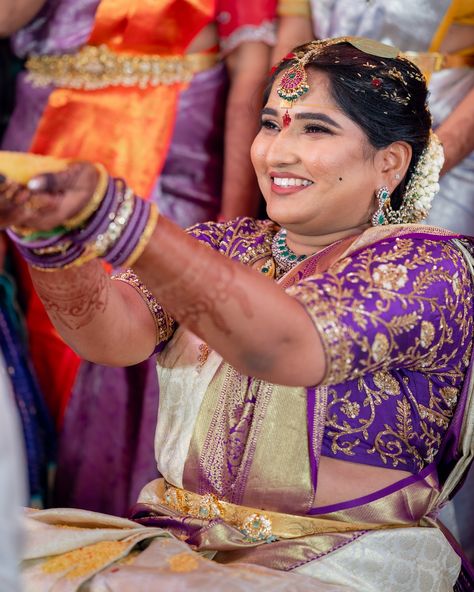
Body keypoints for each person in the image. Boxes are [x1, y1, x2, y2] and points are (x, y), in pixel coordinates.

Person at [1, 38, 473, 591]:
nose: (276, 153)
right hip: (181, 541)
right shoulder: (229, 245)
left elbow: (286, 344)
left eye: (315, 129)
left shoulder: (430, 266)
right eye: (272, 124)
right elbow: (112, 337)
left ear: (389, 162)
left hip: (340, 562)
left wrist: (122, 221)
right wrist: (51, 241)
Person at [0, 0, 277, 514]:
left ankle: (119, 509)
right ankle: (36, 501)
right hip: (42, 130)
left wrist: (234, 233)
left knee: (145, 318)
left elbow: (250, 78)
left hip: (170, 140)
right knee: (37, 327)